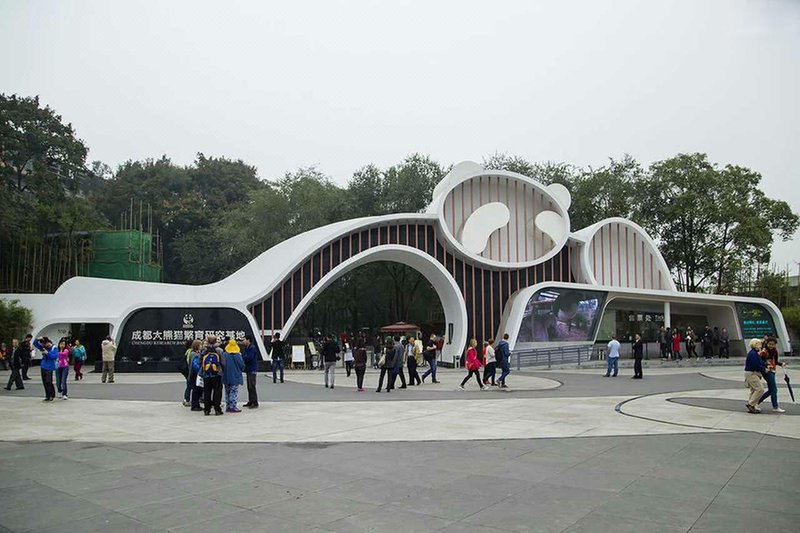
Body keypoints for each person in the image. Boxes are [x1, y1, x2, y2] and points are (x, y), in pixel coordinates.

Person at [757, 336, 786, 413]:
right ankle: (775, 406)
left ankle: (755, 402)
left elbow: (775, 361)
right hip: (767, 371)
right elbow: (760, 361)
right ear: (766, 343)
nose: (771, 346)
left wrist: (781, 364)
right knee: (774, 389)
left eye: (773, 344)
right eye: (770, 344)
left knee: (771, 390)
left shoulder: (775, 351)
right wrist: (765, 367)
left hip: (772, 370)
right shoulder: (764, 351)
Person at [201, 335, 225, 416]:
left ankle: (207, 410)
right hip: (217, 374)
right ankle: (217, 409)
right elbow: (223, 362)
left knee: (207, 392)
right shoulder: (219, 350)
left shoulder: (204, 350)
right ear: (215, 341)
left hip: (206, 374)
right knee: (217, 391)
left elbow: (200, 360)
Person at [222, 339, 245, 413]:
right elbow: (242, 365)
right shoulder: (238, 355)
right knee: (234, 391)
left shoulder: (224, 355)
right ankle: (233, 406)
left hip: (226, 376)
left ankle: (228, 406)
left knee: (227, 391)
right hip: (235, 376)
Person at [744, 338, 766, 414]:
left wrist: (765, 364)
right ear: (755, 344)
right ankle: (751, 404)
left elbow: (760, 362)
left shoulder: (754, 353)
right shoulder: (753, 354)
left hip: (750, 373)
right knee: (760, 389)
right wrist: (764, 369)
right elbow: (755, 365)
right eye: (759, 344)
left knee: (754, 390)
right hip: (752, 373)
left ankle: (752, 405)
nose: (761, 346)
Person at [32, 337, 58, 401]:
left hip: (50, 367)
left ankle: (52, 395)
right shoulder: (43, 347)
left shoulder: (54, 348)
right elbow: (35, 343)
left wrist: (47, 353)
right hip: (43, 366)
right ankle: (47, 396)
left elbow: (55, 356)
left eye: (44, 344)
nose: (43, 346)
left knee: (49, 381)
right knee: (44, 382)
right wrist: (38, 339)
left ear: (48, 342)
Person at [242, 335, 259, 408]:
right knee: (249, 386)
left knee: (252, 386)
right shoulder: (247, 347)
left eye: (244, 340)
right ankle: (251, 401)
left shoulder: (252, 348)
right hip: (249, 369)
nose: (243, 341)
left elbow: (249, 357)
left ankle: (254, 402)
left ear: (248, 340)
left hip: (252, 369)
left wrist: (243, 358)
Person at [188, 340, 204, 412]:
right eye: (200, 345)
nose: (201, 346)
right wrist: (201, 370)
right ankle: (195, 405)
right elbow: (195, 365)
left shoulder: (193, 353)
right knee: (196, 390)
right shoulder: (195, 355)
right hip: (195, 374)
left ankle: (196, 405)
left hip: (194, 374)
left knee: (197, 390)